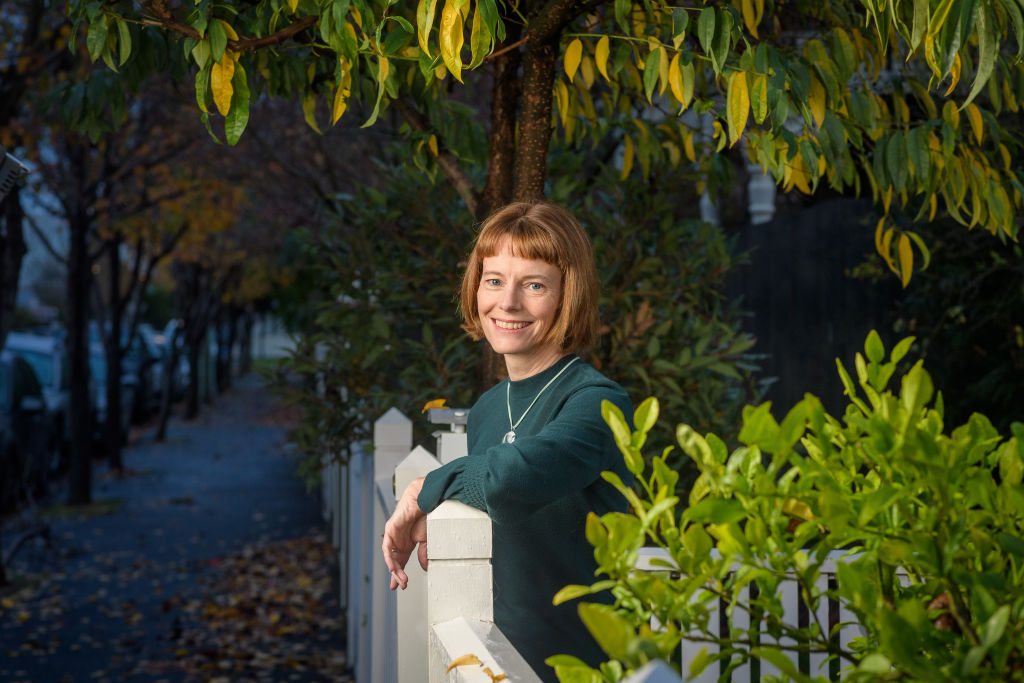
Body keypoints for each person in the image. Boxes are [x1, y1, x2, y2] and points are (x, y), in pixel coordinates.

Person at [382, 201, 633, 680]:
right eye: (494, 280)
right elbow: (488, 503)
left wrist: (423, 490)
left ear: (567, 295)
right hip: (495, 660)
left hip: (581, 666)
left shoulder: (597, 404)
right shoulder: (487, 409)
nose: (508, 302)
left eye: (534, 285)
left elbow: (509, 479)